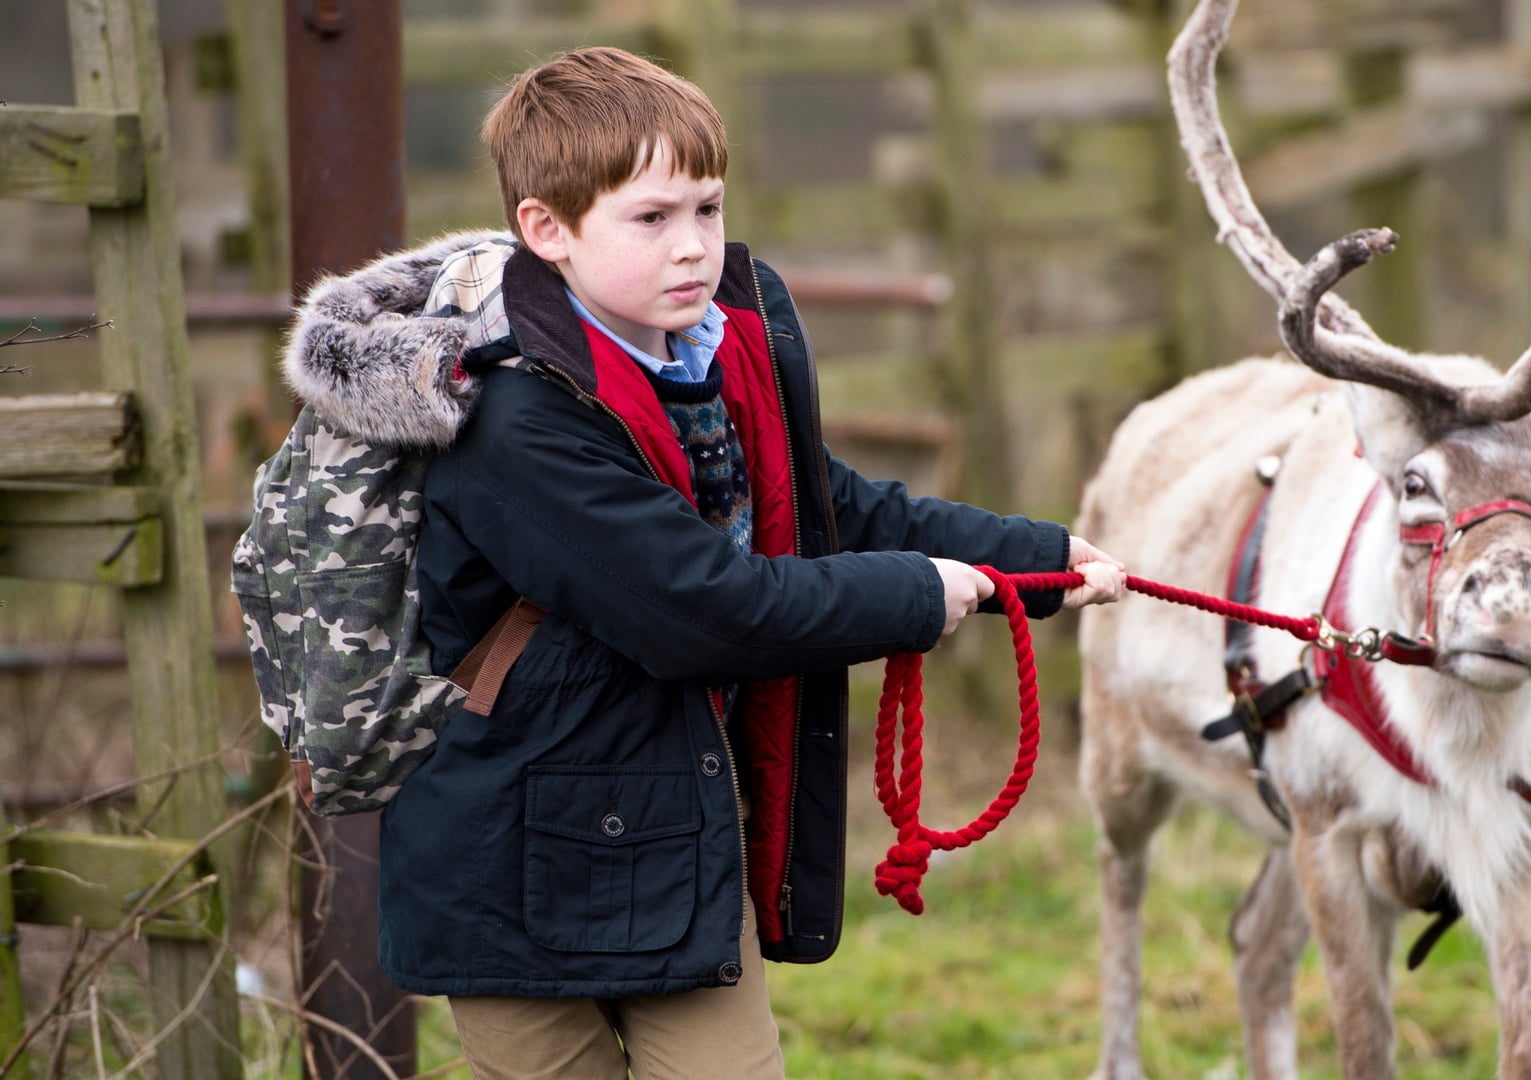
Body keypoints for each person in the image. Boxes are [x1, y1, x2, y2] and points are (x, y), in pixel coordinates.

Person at [282, 46, 1125, 1079]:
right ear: (547, 231)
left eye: (708, 209)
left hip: (672, 831)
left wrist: (1035, 563)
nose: (693, 247)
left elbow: (833, 509)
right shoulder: (514, 422)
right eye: (652, 218)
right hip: (505, 862)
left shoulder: (710, 361)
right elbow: (702, 610)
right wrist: (919, 595)